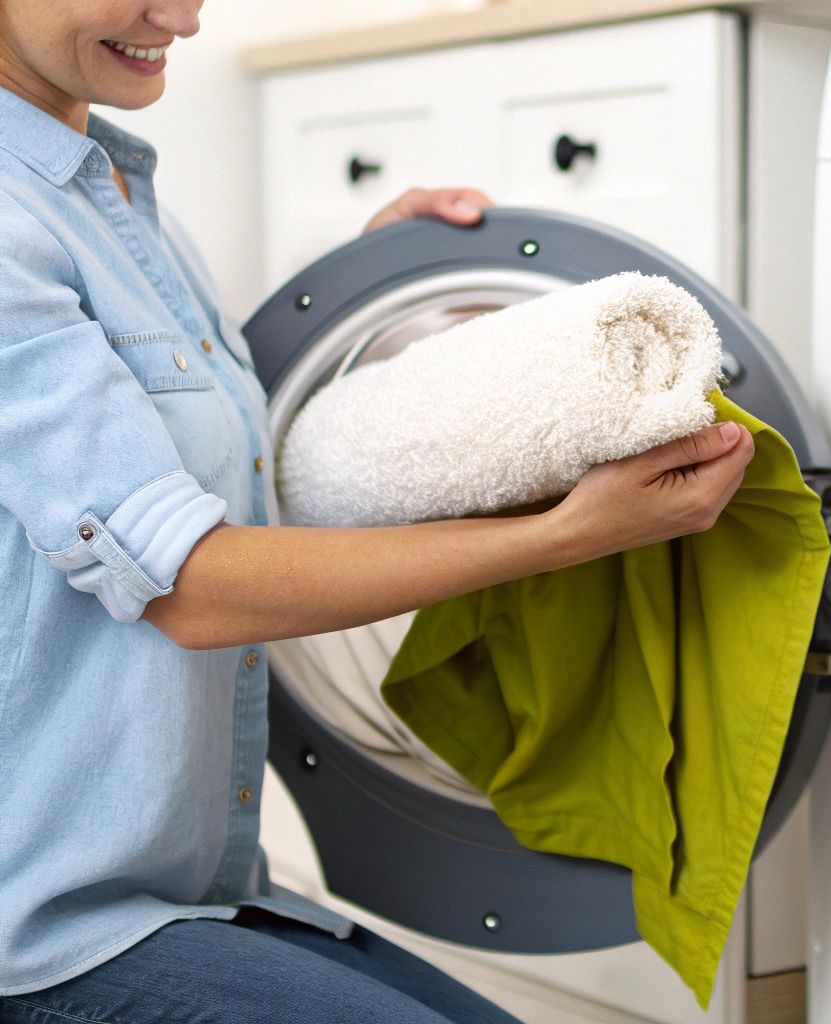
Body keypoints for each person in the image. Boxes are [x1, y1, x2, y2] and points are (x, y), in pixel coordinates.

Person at [0, 1, 756, 1020]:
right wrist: (563, 535)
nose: (178, 15)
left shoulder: (122, 199)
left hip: (195, 890)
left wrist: (369, 278)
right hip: (47, 931)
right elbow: (192, 584)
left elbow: (219, 452)